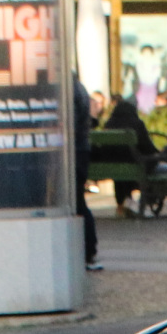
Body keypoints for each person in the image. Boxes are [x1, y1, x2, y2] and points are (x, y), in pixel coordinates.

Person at [73, 76, 101, 272]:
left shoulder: (70, 90)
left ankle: (88, 249)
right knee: (78, 201)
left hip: (75, 151)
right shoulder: (78, 88)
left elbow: (71, 125)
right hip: (80, 150)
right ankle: (89, 250)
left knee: (77, 202)